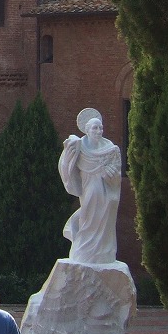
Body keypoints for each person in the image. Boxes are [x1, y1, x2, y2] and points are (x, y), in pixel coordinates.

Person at [57, 108, 123, 264]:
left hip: (107, 191)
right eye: (95, 127)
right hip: (89, 188)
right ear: (87, 130)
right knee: (88, 217)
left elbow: (117, 172)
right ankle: (85, 250)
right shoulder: (80, 147)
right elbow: (65, 166)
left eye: (100, 127)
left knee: (104, 218)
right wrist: (68, 152)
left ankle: (103, 252)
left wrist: (112, 175)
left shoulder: (111, 149)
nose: (99, 131)